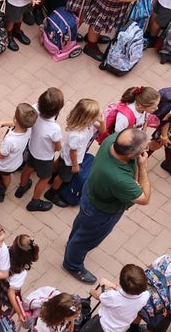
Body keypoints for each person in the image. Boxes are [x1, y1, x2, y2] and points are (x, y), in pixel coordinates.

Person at [62, 128, 152, 284]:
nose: (146, 151)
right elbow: (144, 198)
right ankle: (72, 264)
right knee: (87, 238)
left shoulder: (114, 140)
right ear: (131, 155)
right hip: (101, 211)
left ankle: (71, 245)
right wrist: (143, 167)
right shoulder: (118, 178)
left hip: (91, 193)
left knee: (81, 225)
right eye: (144, 149)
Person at [67, 264, 150, 332]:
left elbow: (99, 296)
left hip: (100, 324)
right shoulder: (145, 295)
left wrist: (92, 291)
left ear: (121, 281)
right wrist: (115, 287)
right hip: (118, 328)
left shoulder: (113, 296)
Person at [44, 98, 105, 207]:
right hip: (71, 160)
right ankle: (51, 193)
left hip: (66, 154)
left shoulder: (87, 122)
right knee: (63, 177)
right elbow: (73, 152)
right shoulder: (77, 135)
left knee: (59, 162)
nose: (99, 115)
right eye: (96, 114)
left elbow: (102, 131)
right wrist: (75, 166)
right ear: (88, 117)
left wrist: (102, 122)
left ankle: (50, 176)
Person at [15, 87, 65, 212]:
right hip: (45, 157)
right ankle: (35, 202)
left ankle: (22, 188)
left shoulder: (33, 111)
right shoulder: (54, 128)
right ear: (57, 110)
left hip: (32, 149)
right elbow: (58, 147)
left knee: (28, 168)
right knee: (45, 178)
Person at [0, 102, 37, 201]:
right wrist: (2, 123)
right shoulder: (28, 129)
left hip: (1, 164)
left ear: (15, 119)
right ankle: (3, 191)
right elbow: (17, 124)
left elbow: (1, 154)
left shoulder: (11, 140)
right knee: (6, 175)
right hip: (14, 163)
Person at [124, 254, 171, 332]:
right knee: (153, 328)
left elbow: (149, 269)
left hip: (144, 295)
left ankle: (132, 330)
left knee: (139, 311)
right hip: (162, 308)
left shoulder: (166, 258)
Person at [0, 234, 39, 320]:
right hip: (9, 289)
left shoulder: (6, 251)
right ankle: (3, 318)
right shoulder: (21, 272)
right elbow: (11, 293)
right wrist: (19, 312)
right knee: (16, 304)